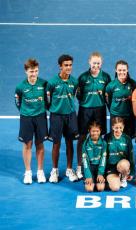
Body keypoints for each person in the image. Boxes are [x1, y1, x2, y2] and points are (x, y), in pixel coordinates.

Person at [76, 52, 111, 180]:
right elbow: (79, 96)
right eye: (94, 63)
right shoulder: (83, 78)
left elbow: (107, 95)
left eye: (98, 63)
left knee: (100, 138)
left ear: (101, 63)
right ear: (89, 62)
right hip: (85, 110)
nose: (96, 65)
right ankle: (79, 166)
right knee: (82, 137)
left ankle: (99, 165)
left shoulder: (106, 77)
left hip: (100, 110)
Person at [15, 59, 48, 184]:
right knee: (27, 144)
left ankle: (40, 172)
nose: (33, 74)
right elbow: (18, 102)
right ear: (26, 72)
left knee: (40, 144)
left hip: (40, 117)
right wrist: (26, 112)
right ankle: (28, 172)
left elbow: (48, 99)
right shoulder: (20, 87)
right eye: (31, 71)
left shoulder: (44, 84)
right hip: (26, 118)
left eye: (36, 71)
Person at [47, 54, 79, 183]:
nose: (68, 67)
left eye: (70, 65)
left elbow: (76, 95)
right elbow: (47, 101)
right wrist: (55, 109)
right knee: (56, 143)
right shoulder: (52, 83)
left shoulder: (74, 82)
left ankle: (69, 169)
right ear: (60, 66)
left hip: (71, 116)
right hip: (56, 116)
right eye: (66, 65)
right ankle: (54, 170)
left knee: (70, 143)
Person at [105, 60, 136, 139]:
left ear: (127, 70)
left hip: (129, 116)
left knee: (129, 138)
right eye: (119, 70)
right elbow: (107, 100)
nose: (121, 72)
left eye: (124, 70)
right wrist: (115, 111)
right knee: (116, 138)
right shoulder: (111, 85)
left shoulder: (133, 84)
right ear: (116, 70)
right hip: (116, 116)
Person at [105, 117, 135, 191]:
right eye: (116, 128)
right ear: (112, 127)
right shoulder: (107, 137)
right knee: (115, 188)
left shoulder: (127, 139)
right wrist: (101, 172)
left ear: (123, 127)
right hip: (110, 167)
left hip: (122, 165)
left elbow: (131, 156)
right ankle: (113, 178)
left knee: (124, 165)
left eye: (120, 127)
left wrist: (132, 172)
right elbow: (104, 156)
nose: (118, 130)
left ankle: (123, 177)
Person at [82, 121, 107, 192]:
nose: (95, 133)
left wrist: (100, 173)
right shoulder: (85, 144)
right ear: (89, 131)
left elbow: (103, 159)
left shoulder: (104, 143)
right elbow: (85, 161)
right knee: (89, 189)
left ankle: (99, 179)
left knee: (100, 188)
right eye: (93, 131)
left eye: (97, 131)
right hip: (89, 168)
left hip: (99, 167)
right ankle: (91, 178)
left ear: (100, 131)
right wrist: (88, 175)